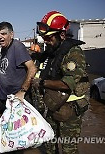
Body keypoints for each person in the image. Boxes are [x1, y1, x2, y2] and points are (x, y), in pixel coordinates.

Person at [31, 11, 90, 154]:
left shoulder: (74, 53)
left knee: (69, 149)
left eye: (49, 37)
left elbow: (67, 83)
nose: (45, 40)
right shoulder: (52, 51)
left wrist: (41, 82)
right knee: (50, 147)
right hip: (52, 107)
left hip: (69, 111)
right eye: (44, 37)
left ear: (62, 35)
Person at [0, 22, 37, 104]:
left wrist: (22, 91)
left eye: (3, 34)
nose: (0, 37)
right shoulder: (4, 48)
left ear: (11, 34)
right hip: (5, 97)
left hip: (16, 99)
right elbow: (5, 70)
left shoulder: (18, 47)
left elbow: (32, 68)